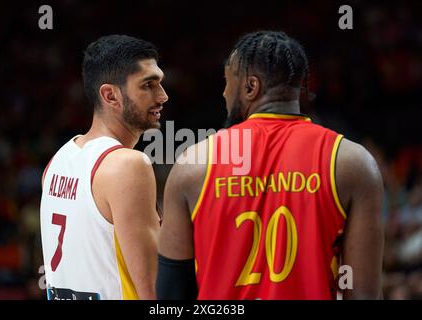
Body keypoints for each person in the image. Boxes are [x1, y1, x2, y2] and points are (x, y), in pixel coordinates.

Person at [157, 31, 384, 300]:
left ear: (251, 87)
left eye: (228, 82)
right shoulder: (353, 163)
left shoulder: (192, 165)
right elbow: (363, 295)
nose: (224, 92)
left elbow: (172, 295)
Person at [40, 34, 168, 300]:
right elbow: (156, 293)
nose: (163, 96)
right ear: (110, 95)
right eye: (149, 85)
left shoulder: (57, 162)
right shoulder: (127, 165)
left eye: (160, 84)